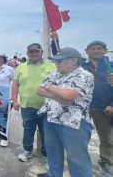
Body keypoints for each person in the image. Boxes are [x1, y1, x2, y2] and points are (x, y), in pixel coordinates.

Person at [36, 47, 94, 177]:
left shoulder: (85, 76)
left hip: (73, 123)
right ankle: (53, 174)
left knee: (77, 158)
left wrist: (49, 87)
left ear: (73, 60)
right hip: (51, 118)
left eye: (60, 61)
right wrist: (57, 94)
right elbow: (39, 90)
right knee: (53, 152)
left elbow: (68, 96)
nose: (56, 64)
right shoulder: (56, 73)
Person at [12, 43, 56, 164]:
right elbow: (15, 84)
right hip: (27, 105)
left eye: (36, 51)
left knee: (46, 131)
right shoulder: (21, 67)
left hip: (47, 106)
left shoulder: (52, 66)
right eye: (31, 52)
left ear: (42, 52)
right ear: (27, 54)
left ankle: (46, 154)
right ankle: (27, 150)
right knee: (28, 129)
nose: (34, 54)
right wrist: (15, 100)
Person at [82, 40, 113, 176]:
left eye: (99, 48)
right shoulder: (81, 65)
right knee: (80, 136)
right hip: (84, 107)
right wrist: (55, 40)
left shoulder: (111, 65)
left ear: (105, 51)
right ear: (86, 51)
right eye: (92, 48)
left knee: (107, 139)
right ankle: (80, 163)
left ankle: (106, 164)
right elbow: (60, 57)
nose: (96, 51)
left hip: (105, 107)